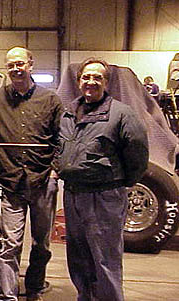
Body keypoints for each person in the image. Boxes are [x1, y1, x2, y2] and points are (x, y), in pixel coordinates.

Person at [55, 58, 149, 301]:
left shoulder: (121, 114)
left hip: (104, 197)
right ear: (78, 82)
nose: (91, 82)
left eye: (97, 77)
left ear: (106, 82)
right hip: (74, 193)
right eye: (86, 77)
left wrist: (121, 182)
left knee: (104, 257)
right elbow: (58, 147)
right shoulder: (68, 113)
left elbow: (137, 154)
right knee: (78, 256)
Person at [0, 47, 63, 301]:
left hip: (43, 181)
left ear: (31, 64)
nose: (16, 69)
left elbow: (61, 139)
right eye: (11, 65)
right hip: (10, 183)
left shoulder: (50, 100)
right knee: (10, 243)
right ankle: (8, 295)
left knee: (41, 243)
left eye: (20, 64)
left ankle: (34, 287)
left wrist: (54, 170)